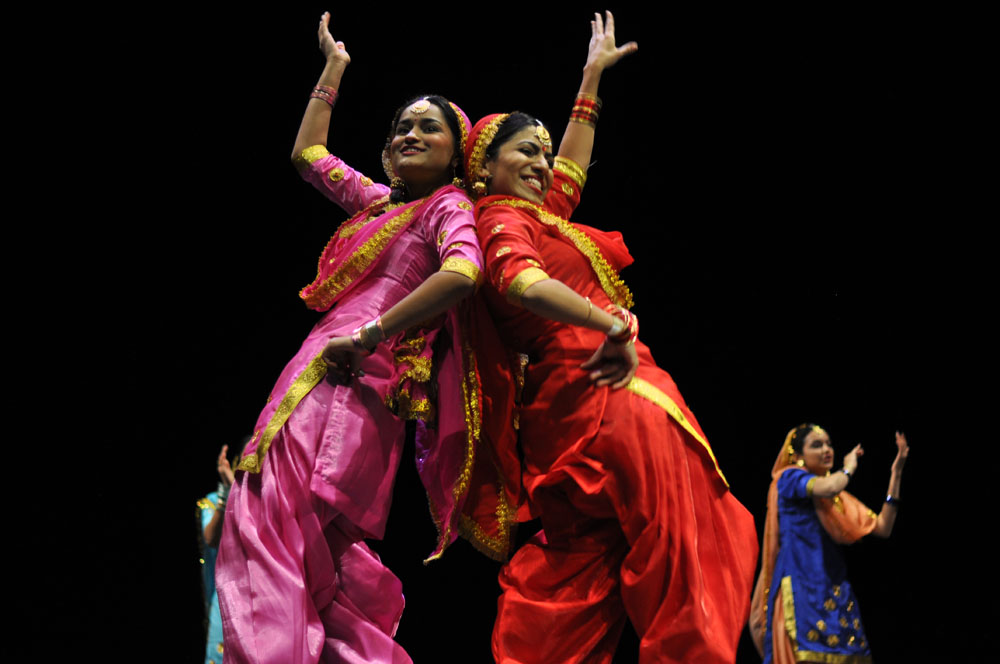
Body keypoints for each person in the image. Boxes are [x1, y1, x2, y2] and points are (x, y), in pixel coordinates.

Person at [464, 12, 759, 664]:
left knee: (580, 569)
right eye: (526, 152)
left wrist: (590, 79)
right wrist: (611, 323)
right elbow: (521, 284)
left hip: (564, 416)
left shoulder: (536, 213)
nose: (544, 164)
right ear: (485, 166)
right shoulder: (501, 219)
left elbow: (570, 168)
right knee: (688, 528)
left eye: (545, 152)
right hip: (608, 387)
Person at [215, 12, 508, 664]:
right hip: (340, 370)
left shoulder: (447, 208)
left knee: (272, 513)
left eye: (428, 127)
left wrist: (372, 331)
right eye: (402, 125)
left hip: (349, 370)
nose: (410, 132)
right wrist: (334, 68)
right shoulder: (384, 207)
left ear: (457, 152)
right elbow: (309, 157)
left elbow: (464, 271)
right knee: (313, 546)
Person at [748, 424, 909, 664]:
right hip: (800, 591)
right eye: (817, 445)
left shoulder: (835, 500)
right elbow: (830, 485)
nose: (827, 449)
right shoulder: (790, 478)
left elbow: (884, 527)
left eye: (829, 444)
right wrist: (848, 468)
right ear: (798, 456)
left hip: (834, 593)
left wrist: (896, 473)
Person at [198, 444, 236, 664]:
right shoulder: (213, 500)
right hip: (227, 597)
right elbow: (211, 538)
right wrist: (226, 492)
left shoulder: (268, 501)